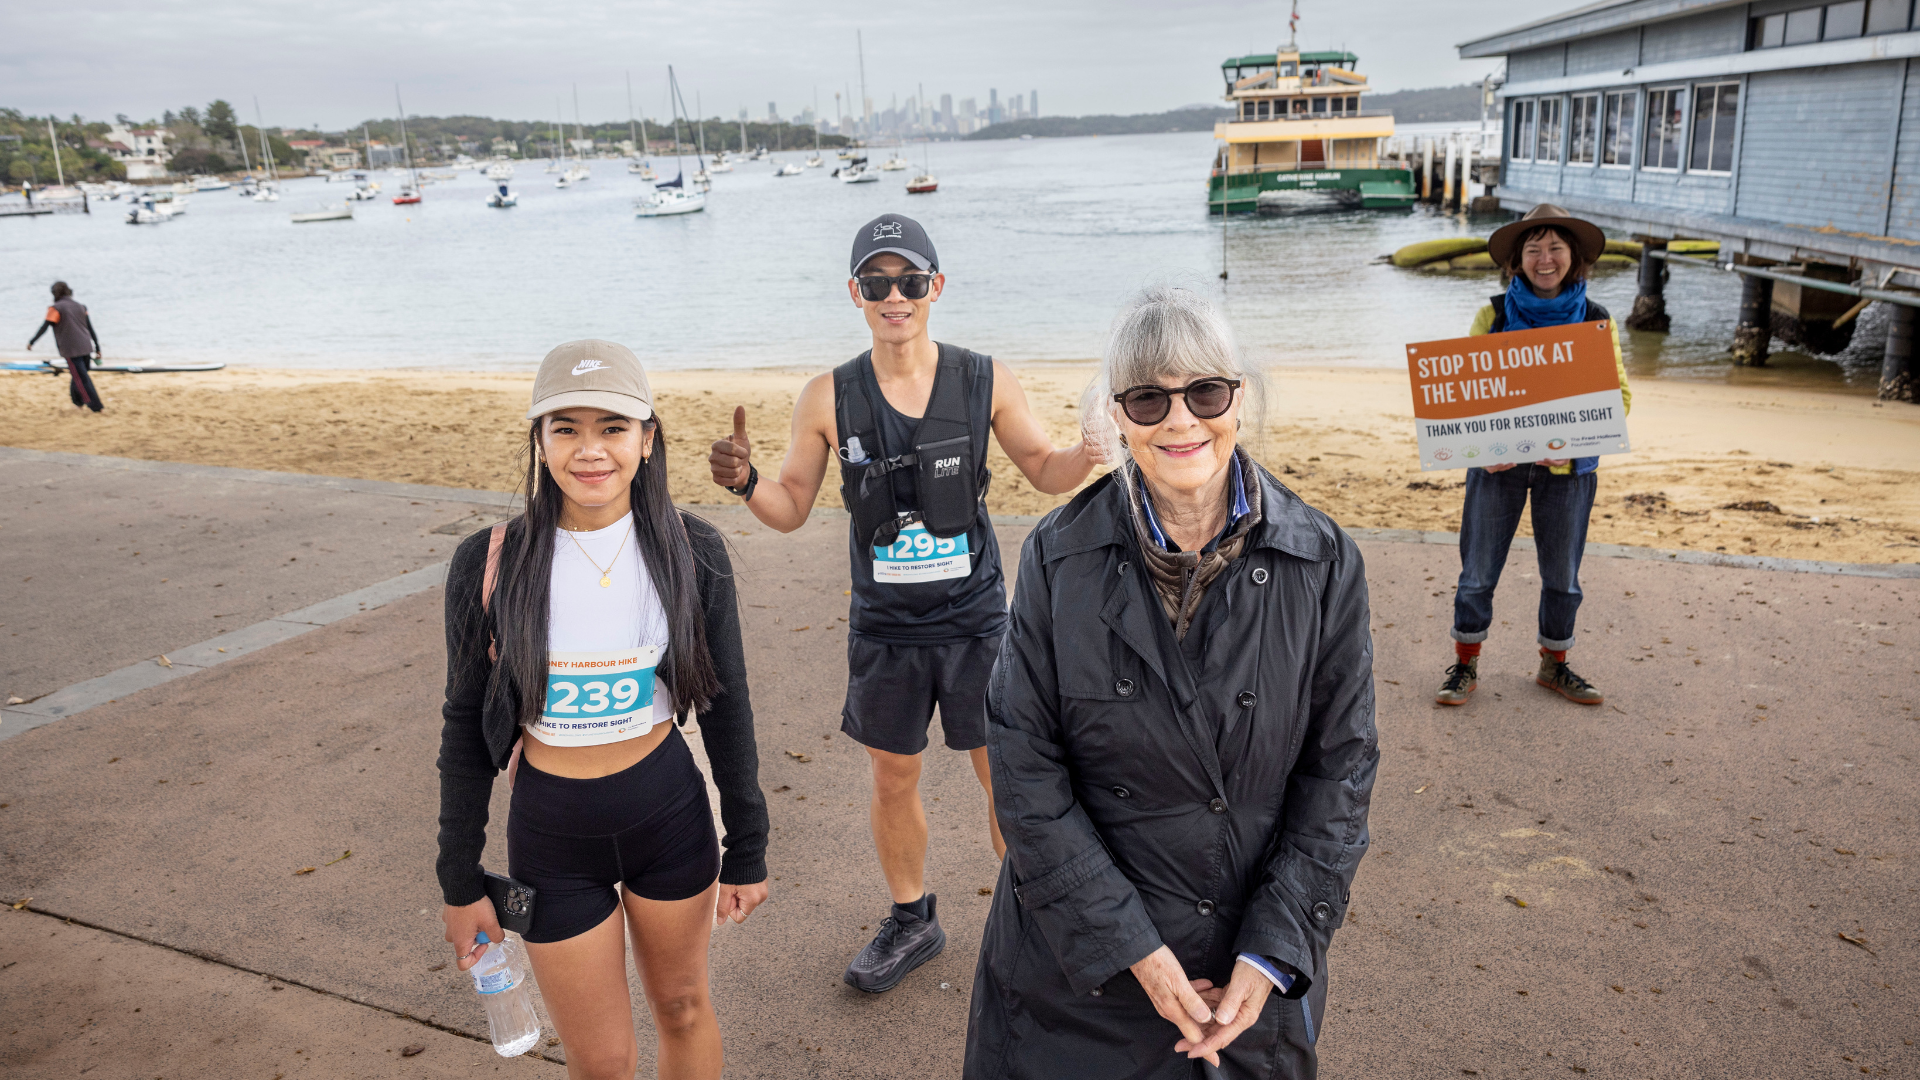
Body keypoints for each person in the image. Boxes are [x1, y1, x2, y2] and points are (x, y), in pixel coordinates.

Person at [964, 286, 1377, 1079]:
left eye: (1205, 393)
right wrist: (1133, 949)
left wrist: (1272, 950)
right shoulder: (1057, 556)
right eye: (1149, 399)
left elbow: (1341, 773)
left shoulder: (1322, 561)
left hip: (1244, 978)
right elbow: (1023, 768)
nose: (1181, 421)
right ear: (1118, 416)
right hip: (1077, 972)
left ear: (1239, 399)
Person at [706, 213, 1098, 994]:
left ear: (935, 288)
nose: (895, 296)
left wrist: (1096, 445)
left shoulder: (985, 379)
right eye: (878, 283)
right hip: (886, 627)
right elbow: (790, 508)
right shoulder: (828, 396)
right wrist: (747, 483)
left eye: (910, 281)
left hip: (977, 617)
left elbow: (1047, 471)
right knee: (893, 776)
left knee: (1006, 775)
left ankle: (1032, 917)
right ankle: (912, 919)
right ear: (856, 293)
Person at [437, 340, 768, 1080]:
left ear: (648, 439)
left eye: (613, 427)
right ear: (539, 440)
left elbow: (728, 704)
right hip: (552, 838)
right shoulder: (489, 562)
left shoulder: (692, 550)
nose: (591, 450)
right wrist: (459, 881)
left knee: (683, 1010)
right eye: (566, 428)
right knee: (602, 1062)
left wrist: (748, 841)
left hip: (669, 816)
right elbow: (464, 729)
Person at [1436, 203, 1632, 709]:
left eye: (1556, 248)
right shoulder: (1494, 314)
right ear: (1516, 260)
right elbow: (1467, 393)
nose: (1545, 259)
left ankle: (1556, 665)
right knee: (1478, 571)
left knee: (1563, 576)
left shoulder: (1596, 319)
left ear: (1575, 257)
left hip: (1567, 471)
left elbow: (1619, 397)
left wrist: (1565, 442)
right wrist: (1484, 447)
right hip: (1498, 465)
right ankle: (1465, 662)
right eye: (1534, 248)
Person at [27, 280, 104, 413]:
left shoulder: (55, 308)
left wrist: (32, 342)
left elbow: (44, 327)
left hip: (71, 349)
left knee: (81, 378)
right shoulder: (81, 306)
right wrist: (97, 347)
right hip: (86, 346)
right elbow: (90, 328)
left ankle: (96, 407)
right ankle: (78, 403)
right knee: (79, 376)